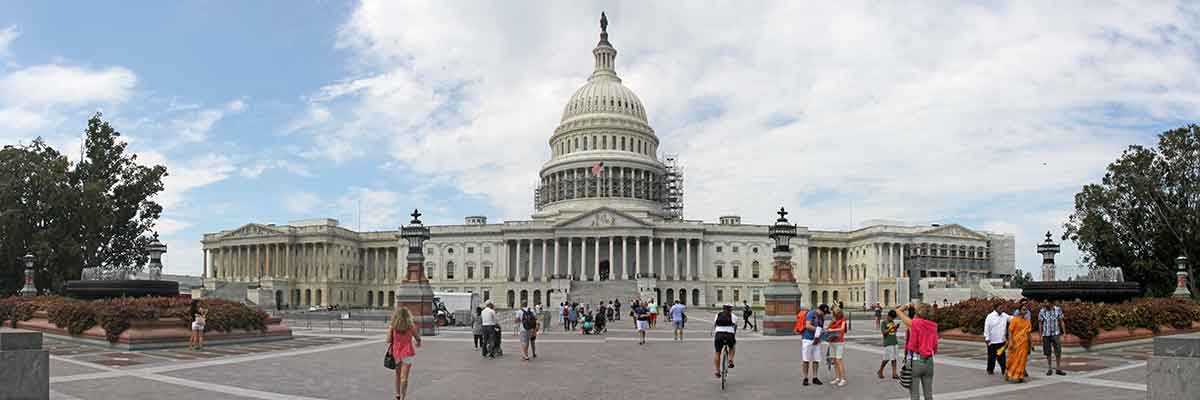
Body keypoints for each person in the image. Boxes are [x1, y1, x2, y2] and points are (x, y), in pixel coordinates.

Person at [896, 303, 938, 400]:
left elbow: (898, 311)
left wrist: (906, 305)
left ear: (918, 312)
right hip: (929, 361)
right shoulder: (933, 326)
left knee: (914, 395)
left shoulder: (914, 323)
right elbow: (935, 347)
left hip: (915, 360)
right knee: (929, 394)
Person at [388, 306, 422, 400]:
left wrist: (392, 332)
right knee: (404, 377)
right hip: (407, 352)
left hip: (396, 352)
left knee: (397, 375)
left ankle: (397, 395)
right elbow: (417, 337)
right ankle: (403, 398)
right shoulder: (410, 325)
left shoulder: (393, 326)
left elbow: (387, 340)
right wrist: (418, 342)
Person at [800, 304, 827, 386]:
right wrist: (819, 329)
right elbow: (807, 325)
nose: (824, 314)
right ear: (820, 310)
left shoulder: (821, 317)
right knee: (806, 359)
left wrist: (820, 335)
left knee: (816, 359)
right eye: (824, 312)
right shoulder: (811, 314)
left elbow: (820, 328)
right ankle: (805, 378)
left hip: (817, 340)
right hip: (807, 339)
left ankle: (815, 378)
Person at [1006, 302, 1033, 383]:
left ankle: (1020, 376)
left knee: (1022, 360)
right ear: (1020, 310)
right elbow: (1010, 331)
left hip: (1024, 344)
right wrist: (1010, 341)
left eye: (1026, 310)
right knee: (1013, 359)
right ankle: (1008, 373)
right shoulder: (1015, 320)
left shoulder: (1027, 321)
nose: (1025, 311)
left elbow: (1028, 334)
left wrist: (1031, 344)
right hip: (1015, 343)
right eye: (1023, 310)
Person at [1039, 300, 1066, 376]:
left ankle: (1058, 368)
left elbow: (1061, 321)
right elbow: (1040, 323)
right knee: (1048, 352)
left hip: (1056, 333)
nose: (1045, 304)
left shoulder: (1058, 309)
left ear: (1051, 303)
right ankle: (1049, 368)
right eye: (1044, 302)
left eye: (1046, 302)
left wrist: (1064, 332)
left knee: (1058, 351)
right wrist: (1040, 334)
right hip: (1046, 334)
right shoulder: (1042, 311)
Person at [983, 303, 1011, 375]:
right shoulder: (990, 316)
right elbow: (986, 327)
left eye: (1002, 308)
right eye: (1000, 308)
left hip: (1001, 341)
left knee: (1002, 357)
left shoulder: (1004, 315)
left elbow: (1012, 319)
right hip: (992, 341)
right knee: (991, 357)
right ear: (996, 308)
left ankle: (1004, 370)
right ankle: (990, 369)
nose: (1002, 309)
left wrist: (1020, 317)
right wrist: (987, 337)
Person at [712, 303, 738, 378]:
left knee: (717, 352)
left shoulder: (718, 315)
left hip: (719, 335)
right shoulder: (734, 316)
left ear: (723, 308)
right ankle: (730, 360)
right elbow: (735, 327)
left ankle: (717, 371)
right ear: (731, 309)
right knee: (732, 346)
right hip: (729, 335)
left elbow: (715, 325)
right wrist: (733, 335)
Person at [827, 309, 848, 386]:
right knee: (834, 360)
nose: (835, 315)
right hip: (832, 342)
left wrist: (833, 329)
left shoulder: (843, 320)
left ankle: (843, 379)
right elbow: (827, 328)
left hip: (839, 342)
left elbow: (842, 329)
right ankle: (837, 378)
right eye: (834, 314)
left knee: (839, 360)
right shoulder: (833, 320)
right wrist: (832, 322)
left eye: (835, 314)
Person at [878, 309, 900, 379]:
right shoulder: (884, 322)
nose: (892, 319)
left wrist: (896, 328)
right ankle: (880, 370)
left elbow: (893, 331)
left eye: (894, 318)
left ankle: (894, 373)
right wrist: (891, 328)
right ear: (888, 316)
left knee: (894, 358)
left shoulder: (892, 322)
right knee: (886, 359)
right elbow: (884, 333)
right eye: (892, 317)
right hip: (888, 343)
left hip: (894, 342)